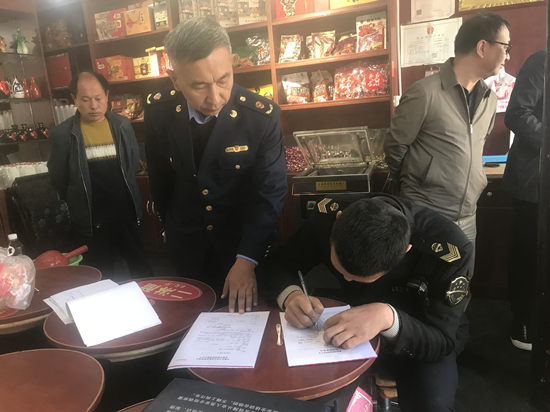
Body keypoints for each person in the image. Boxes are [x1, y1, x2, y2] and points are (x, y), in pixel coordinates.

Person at [266, 194, 473, 412]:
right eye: (341, 270)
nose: (346, 279)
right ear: (338, 219)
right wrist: (291, 295)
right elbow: (278, 264)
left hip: (415, 333)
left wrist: (388, 318)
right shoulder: (327, 218)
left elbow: (442, 339)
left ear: (405, 250)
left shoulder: (450, 248)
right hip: (342, 323)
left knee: (433, 405)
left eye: (359, 278)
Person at [144, 18, 287, 313]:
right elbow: (160, 179)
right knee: (190, 321)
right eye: (199, 86)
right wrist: (172, 229)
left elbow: (269, 193)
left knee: (247, 323)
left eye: (223, 80)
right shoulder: (159, 111)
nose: (215, 97)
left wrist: (247, 259)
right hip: (187, 245)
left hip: (243, 245)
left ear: (232, 63)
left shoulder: (260, 117)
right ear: (175, 80)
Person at [384, 13, 511, 244]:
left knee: (464, 269)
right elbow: (395, 146)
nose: (508, 56)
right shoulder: (424, 93)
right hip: (427, 214)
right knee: (426, 269)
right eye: (505, 47)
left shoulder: (489, 99)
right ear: (482, 47)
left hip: (469, 216)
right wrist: (417, 184)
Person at [48, 71, 153, 280]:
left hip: (125, 212)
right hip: (91, 218)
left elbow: (132, 164)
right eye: (86, 100)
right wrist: (77, 199)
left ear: (107, 96)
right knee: (100, 272)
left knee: (140, 265)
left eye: (98, 98)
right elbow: (59, 177)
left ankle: (149, 297)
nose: (94, 106)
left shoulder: (122, 125)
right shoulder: (62, 134)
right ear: (74, 99)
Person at [501, 50, 545, 351]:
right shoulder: (542, 62)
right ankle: (523, 320)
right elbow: (516, 114)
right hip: (533, 182)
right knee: (528, 254)